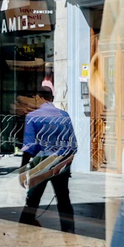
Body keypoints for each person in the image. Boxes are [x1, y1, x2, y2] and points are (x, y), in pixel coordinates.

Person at [18, 81, 78, 233]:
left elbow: (29, 148)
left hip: (41, 164)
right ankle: (69, 233)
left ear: (39, 97)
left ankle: (23, 232)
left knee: (32, 201)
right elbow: (73, 145)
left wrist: (23, 170)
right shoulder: (64, 116)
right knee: (64, 201)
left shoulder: (33, 116)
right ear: (52, 97)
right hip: (60, 164)